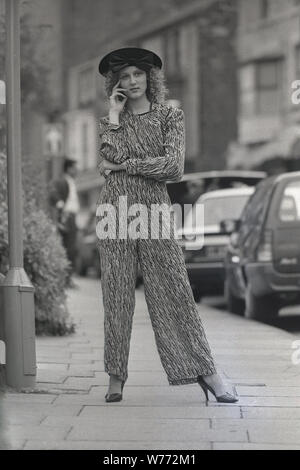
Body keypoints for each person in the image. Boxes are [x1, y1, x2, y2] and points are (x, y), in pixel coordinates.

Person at [97, 47, 238, 404]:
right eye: (124, 77)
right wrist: (114, 116)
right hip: (114, 211)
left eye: (137, 75)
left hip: (156, 213)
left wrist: (124, 166)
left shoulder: (169, 116)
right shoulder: (112, 120)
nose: (131, 82)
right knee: (116, 295)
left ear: (150, 77)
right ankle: (116, 376)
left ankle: (207, 371)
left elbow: (173, 168)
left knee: (174, 290)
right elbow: (106, 157)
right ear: (117, 84)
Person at [48, 157, 80, 283]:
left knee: (70, 248)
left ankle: (67, 278)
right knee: (68, 248)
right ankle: (65, 279)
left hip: (72, 217)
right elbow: (52, 193)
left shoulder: (72, 182)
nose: (77, 170)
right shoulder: (62, 181)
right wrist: (60, 203)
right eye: (75, 168)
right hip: (67, 217)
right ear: (69, 169)